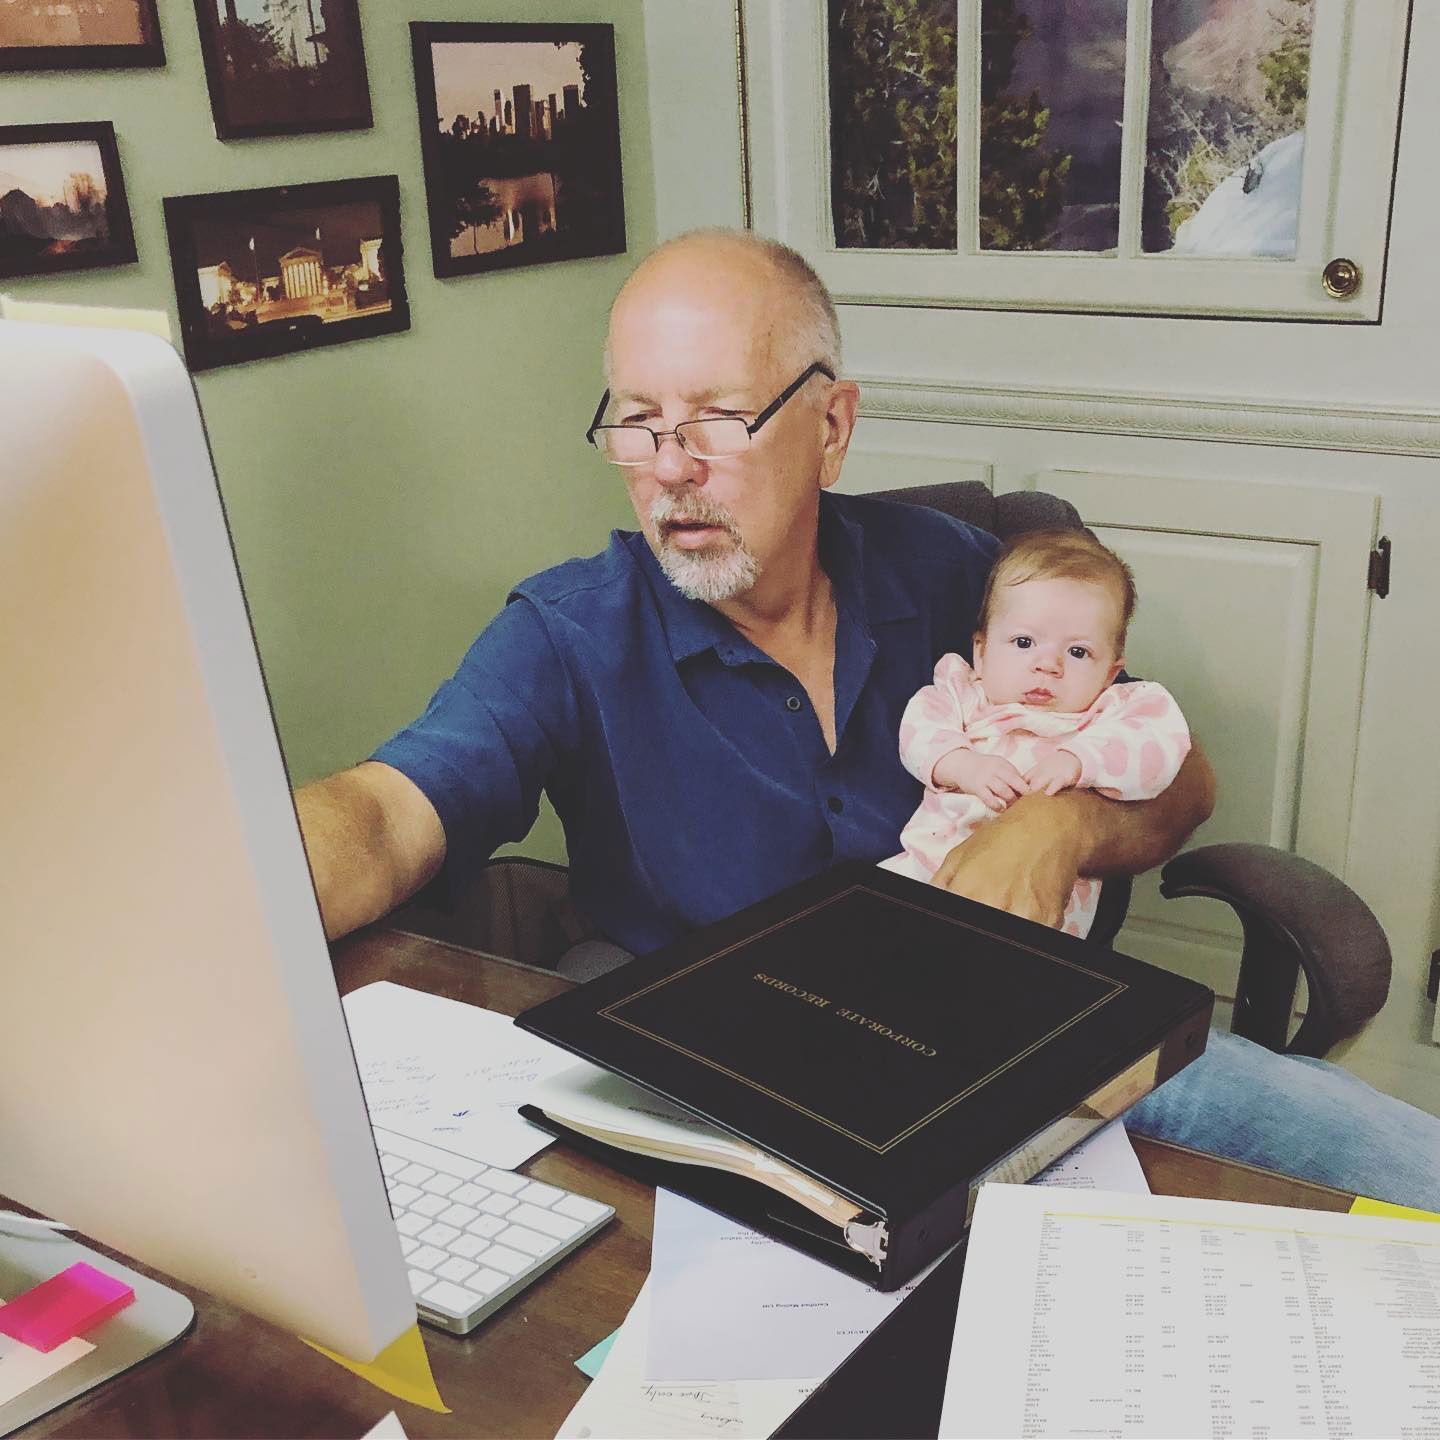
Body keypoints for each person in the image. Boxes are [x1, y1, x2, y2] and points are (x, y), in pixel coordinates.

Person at [296, 227, 1440, 1209]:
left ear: (832, 426)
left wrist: (1059, 829)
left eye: (716, 419)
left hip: (1035, 1043)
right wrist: (205, 899)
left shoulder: (957, 574)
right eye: (639, 422)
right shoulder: (571, 632)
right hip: (752, 1114)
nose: (670, 471)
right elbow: (389, 816)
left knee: (1400, 1171)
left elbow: (1180, 783)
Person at [880, 529, 1190, 940]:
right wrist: (964, 765)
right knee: (879, 921)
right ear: (982, 651)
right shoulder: (962, 694)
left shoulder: (1109, 712)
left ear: (1110, 672)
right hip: (927, 866)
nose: (1048, 664)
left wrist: (1083, 762)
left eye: (1078, 652)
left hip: (1042, 902)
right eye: (1024, 642)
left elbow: (1161, 749)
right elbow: (919, 730)